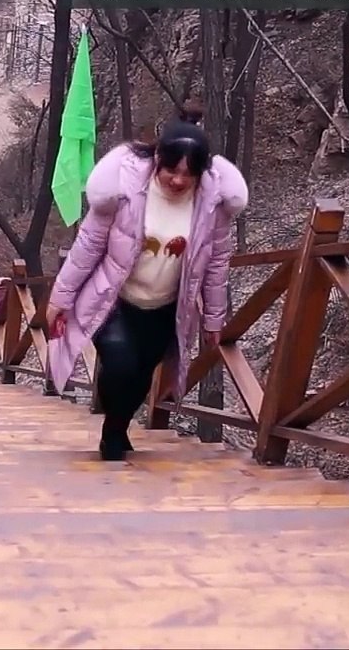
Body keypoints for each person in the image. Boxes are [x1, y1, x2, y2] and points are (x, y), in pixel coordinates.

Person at [45, 116, 249, 461]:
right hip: (115, 299)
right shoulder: (123, 191)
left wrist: (214, 319)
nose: (178, 180)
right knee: (120, 364)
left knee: (141, 376)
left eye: (189, 174)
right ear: (157, 160)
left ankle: (117, 427)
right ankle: (113, 428)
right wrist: (60, 298)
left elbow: (217, 264)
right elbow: (88, 246)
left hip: (167, 307)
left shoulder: (213, 206)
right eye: (172, 170)